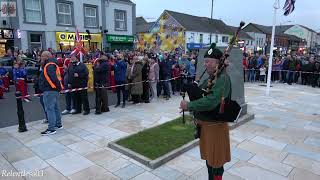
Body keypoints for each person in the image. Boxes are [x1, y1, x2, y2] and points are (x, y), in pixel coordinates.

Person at [180, 43, 231, 180]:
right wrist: (191, 87)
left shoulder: (222, 79)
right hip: (206, 126)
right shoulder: (211, 78)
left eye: (208, 61)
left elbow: (211, 101)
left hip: (215, 128)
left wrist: (189, 105)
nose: (205, 65)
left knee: (216, 162)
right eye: (205, 62)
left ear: (217, 63)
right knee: (210, 159)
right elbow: (201, 92)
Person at [39, 51, 64, 135]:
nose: (40, 58)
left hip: (50, 90)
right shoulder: (53, 64)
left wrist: (56, 87)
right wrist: (59, 88)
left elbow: (53, 78)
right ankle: (58, 124)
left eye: (42, 56)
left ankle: (51, 129)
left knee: (50, 109)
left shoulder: (48, 65)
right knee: (56, 108)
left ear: (46, 57)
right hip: (54, 90)